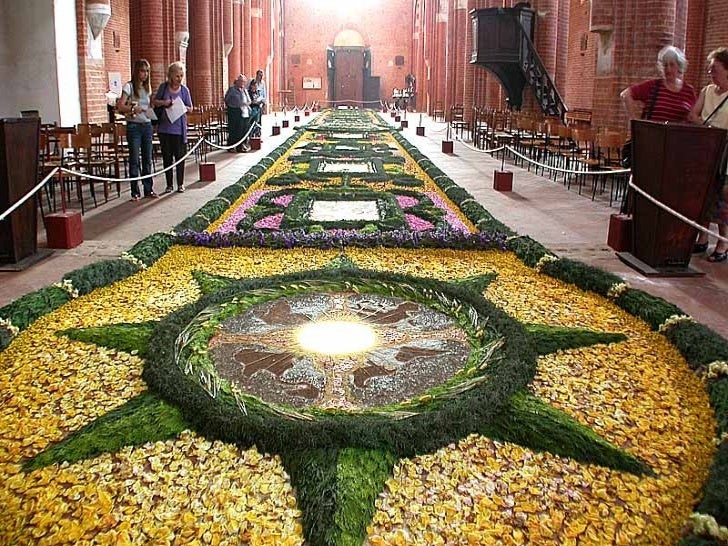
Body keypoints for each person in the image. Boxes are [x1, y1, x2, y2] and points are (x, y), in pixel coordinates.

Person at [688, 48, 728, 263]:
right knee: (702, 195)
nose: (710, 72)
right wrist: (709, 126)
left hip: (726, 155)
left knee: (722, 198)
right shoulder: (707, 91)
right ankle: (702, 237)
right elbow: (693, 114)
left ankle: (722, 241)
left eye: (715, 69)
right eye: (710, 69)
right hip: (705, 150)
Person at [620, 45, 696, 123]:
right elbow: (626, 94)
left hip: (677, 134)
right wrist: (634, 122)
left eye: (672, 65)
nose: (668, 69)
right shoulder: (653, 86)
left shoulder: (688, 91)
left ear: (679, 66)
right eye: (665, 65)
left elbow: (694, 116)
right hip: (653, 133)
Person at [117, 59, 156, 201]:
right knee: (134, 159)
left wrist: (152, 109)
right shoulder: (129, 87)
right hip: (134, 127)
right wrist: (133, 108)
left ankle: (148, 189)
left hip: (146, 125)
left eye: (147, 71)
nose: (144, 74)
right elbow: (120, 106)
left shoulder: (148, 88)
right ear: (136, 71)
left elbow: (149, 105)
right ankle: (134, 192)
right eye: (142, 71)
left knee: (147, 159)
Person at [153, 62, 193, 193]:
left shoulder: (184, 90)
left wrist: (182, 107)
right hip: (165, 129)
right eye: (177, 76)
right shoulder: (163, 88)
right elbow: (155, 102)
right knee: (167, 157)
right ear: (170, 75)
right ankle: (169, 184)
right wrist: (164, 103)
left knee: (180, 157)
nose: (179, 79)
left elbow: (190, 108)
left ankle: (180, 183)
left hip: (179, 129)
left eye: (181, 76)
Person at [224, 74, 250, 152]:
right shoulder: (232, 89)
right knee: (234, 130)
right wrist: (234, 105)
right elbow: (226, 99)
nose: (242, 83)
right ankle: (231, 146)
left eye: (244, 81)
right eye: (241, 81)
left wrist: (247, 103)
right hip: (234, 112)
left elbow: (249, 99)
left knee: (242, 130)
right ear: (237, 81)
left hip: (244, 112)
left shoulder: (244, 90)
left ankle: (240, 146)